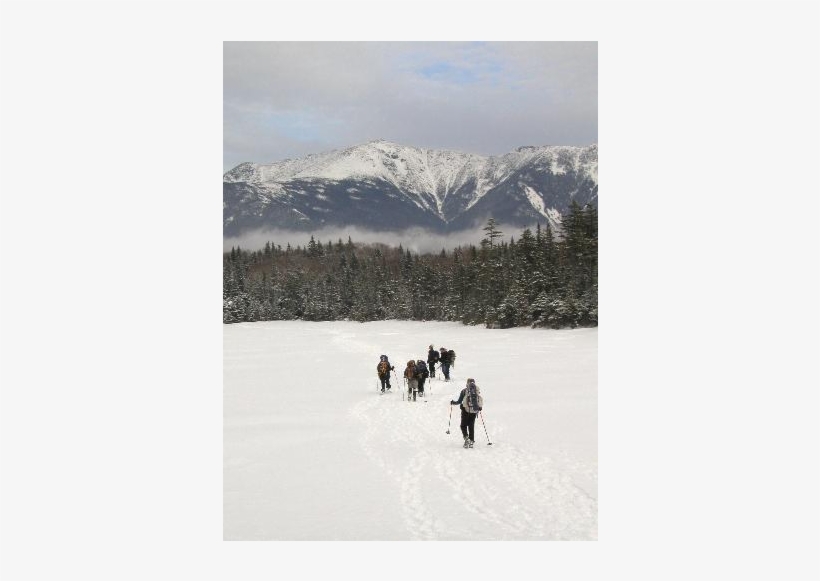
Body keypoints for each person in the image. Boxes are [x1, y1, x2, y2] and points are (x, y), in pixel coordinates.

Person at [450, 378, 483, 448]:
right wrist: (479, 407)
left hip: (465, 410)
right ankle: (471, 440)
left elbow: (459, 401)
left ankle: (466, 438)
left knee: (463, 425)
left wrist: (453, 402)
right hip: (474, 411)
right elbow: (479, 400)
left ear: (467, 383)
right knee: (471, 425)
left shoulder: (464, 391)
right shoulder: (477, 390)